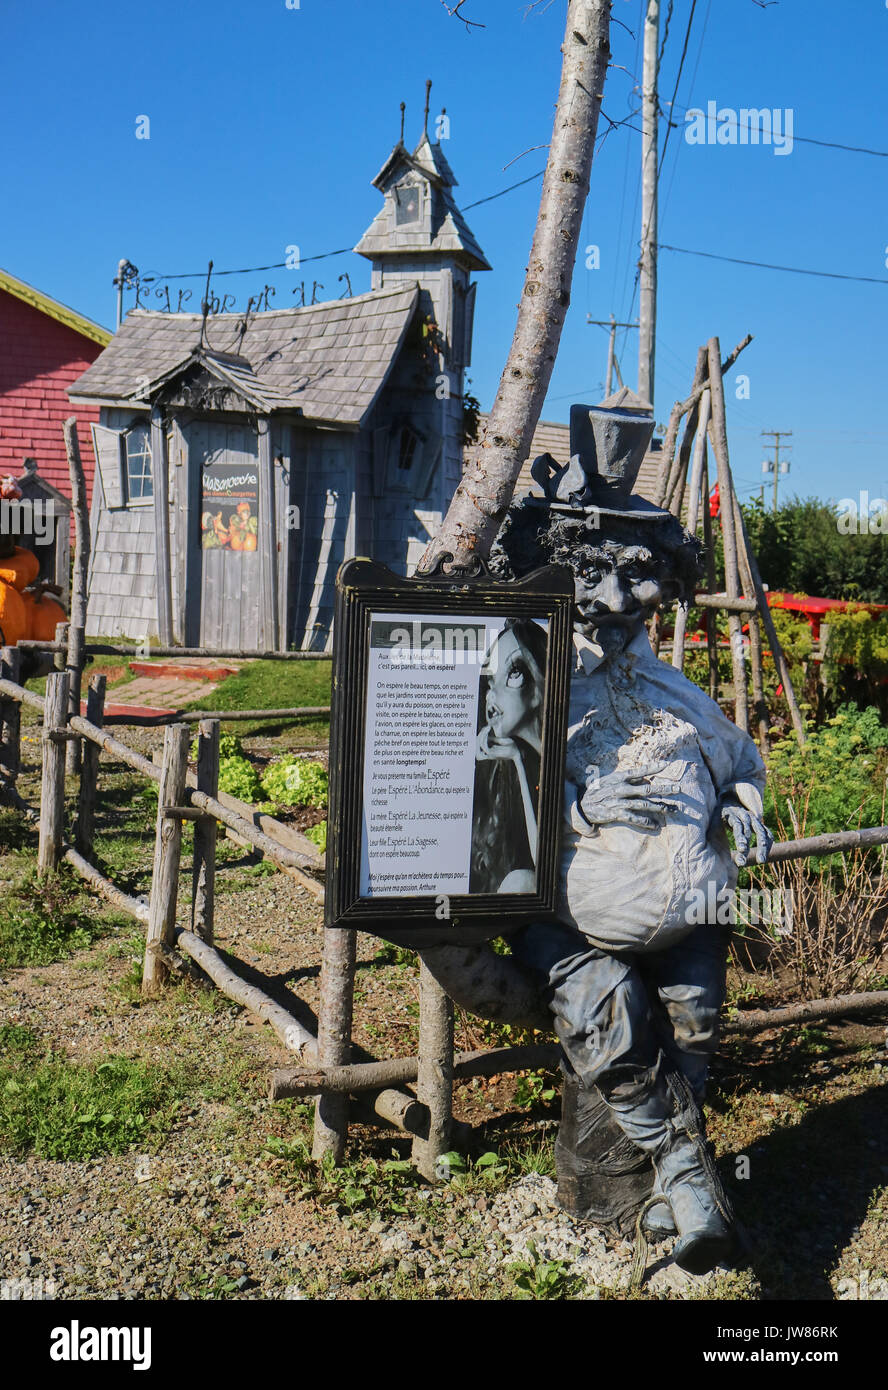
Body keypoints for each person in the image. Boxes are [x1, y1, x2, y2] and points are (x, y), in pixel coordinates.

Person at [490, 391, 772, 1275]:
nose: (614, 600)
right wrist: (576, 808)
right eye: (591, 576)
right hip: (570, 926)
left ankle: (667, 1192)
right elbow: (489, 790)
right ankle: (681, 1182)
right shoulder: (532, 685)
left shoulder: (676, 691)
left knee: (693, 1032)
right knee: (606, 1020)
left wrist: (740, 806)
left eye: (636, 576)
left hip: (689, 923)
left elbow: (741, 761)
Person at [470, 619, 547, 895]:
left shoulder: (568, 753)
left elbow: (544, 862)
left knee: (522, 881)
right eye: (490, 682)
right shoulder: (500, 767)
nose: (493, 696)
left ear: (540, 683)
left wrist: (519, 761)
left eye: (513, 673)